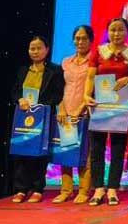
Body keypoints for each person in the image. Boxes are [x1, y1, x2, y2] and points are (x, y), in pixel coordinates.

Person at [84, 18, 128, 207]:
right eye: (113, 30)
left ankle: (113, 189)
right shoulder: (99, 52)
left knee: (117, 147)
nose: (116, 34)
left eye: (121, 30)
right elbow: (91, 76)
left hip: (121, 107)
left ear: (127, 32)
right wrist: (85, 96)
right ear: (108, 32)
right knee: (97, 147)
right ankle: (98, 188)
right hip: (99, 104)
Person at [10, 36, 64, 203]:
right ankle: (20, 189)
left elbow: (58, 93)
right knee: (21, 151)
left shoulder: (55, 70)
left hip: (42, 116)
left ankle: (37, 188)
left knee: (39, 153)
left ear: (47, 50)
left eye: (38, 48)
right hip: (24, 116)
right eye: (32, 48)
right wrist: (19, 99)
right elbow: (15, 91)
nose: (35, 51)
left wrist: (40, 106)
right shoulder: (23, 70)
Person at [55, 25, 94, 204]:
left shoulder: (94, 61)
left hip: (85, 112)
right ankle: (66, 190)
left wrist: (82, 109)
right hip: (66, 111)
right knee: (66, 150)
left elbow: (95, 87)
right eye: (77, 38)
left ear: (90, 41)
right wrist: (62, 109)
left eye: (84, 38)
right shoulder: (66, 62)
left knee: (84, 153)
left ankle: (84, 191)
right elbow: (59, 89)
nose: (80, 41)